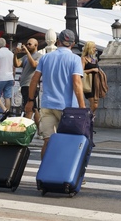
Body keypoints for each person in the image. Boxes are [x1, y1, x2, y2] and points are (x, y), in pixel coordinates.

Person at [25, 29, 85, 160]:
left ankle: (44, 174)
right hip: (67, 108)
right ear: (73, 43)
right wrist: (82, 107)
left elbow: (34, 80)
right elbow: (77, 83)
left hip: (47, 105)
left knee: (48, 141)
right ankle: (66, 176)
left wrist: (30, 100)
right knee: (68, 141)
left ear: (58, 42)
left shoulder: (45, 58)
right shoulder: (75, 59)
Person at [13, 38, 43, 130]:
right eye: (27, 44)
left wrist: (27, 52)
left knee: (29, 108)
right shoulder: (25, 57)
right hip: (24, 85)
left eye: (30, 44)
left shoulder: (39, 56)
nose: (27, 46)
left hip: (31, 85)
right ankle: (40, 130)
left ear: (36, 45)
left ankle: (24, 130)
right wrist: (15, 54)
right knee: (34, 108)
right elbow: (17, 64)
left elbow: (34, 64)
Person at [0, 38, 15, 122]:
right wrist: (13, 76)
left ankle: (5, 110)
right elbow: (14, 66)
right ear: (5, 44)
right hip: (10, 77)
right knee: (7, 96)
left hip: (0, 77)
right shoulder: (11, 54)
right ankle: (6, 117)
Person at [81, 41, 100, 114]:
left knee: (95, 104)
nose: (95, 49)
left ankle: (90, 118)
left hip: (95, 83)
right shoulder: (84, 59)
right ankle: (87, 118)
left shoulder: (95, 59)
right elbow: (81, 71)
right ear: (89, 48)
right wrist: (92, 70)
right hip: (88, 83)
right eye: (94, 47)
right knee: (94, 105)